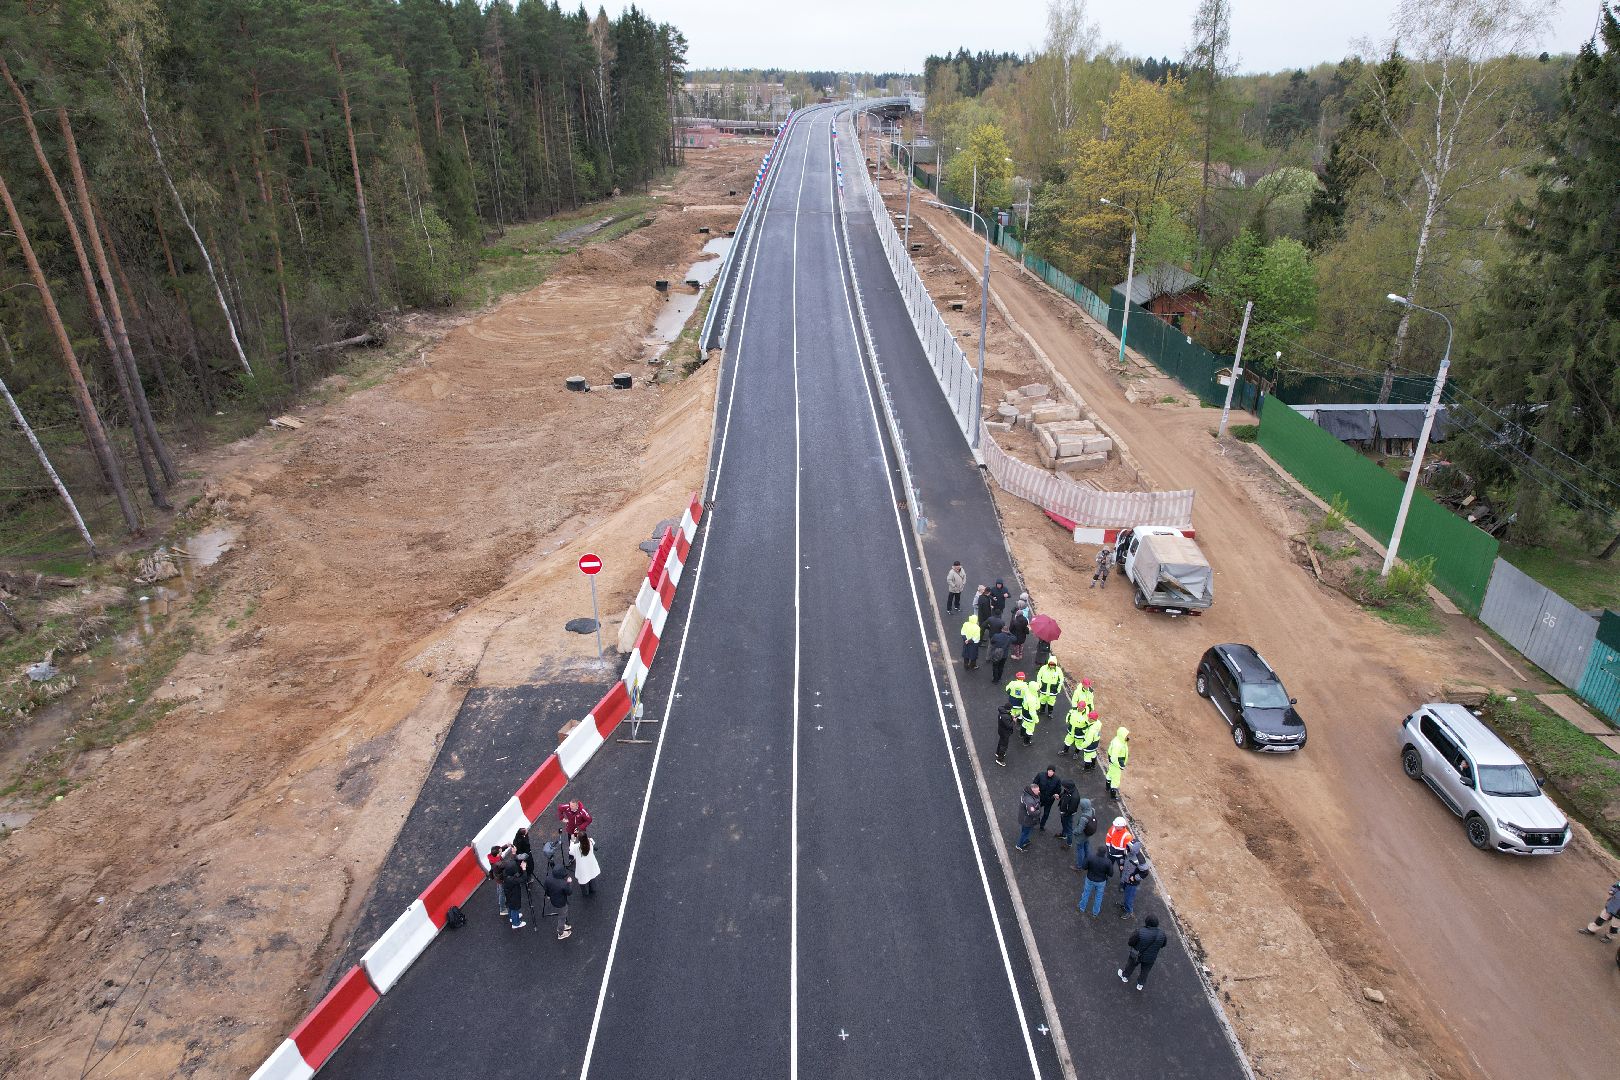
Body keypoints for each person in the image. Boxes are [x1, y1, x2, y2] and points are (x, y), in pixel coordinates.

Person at [1119, 915, 1168, 990]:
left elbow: (1130, 942)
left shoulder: (1139, 931)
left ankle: (1125, 977)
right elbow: (1163, 945)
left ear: (1147, 922)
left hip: (1137, 955)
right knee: (1145, 971)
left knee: (1130, 966)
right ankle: (1140, 984)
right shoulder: (1162, 934)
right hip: (1151, 958)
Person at [1119, 841, 1153, 919]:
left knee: (1129, 897)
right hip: (1125, 878)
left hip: (1132, 883)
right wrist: (1121, 864)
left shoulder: (1140, 859)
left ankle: (1129, 911)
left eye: (1129, 847)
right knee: (1126, 894)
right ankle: (1125, 905)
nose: (1127, 848)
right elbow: (1123, 856)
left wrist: (1134, 877)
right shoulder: (1128, 851)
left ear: (1134, 849)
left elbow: (1145, 872)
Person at [1078, 847, 1114, 917]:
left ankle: (1082, 907)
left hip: (1090, 879)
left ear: (1097, 851)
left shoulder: (1090, 857)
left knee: (1086, 893)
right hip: (1101, 881)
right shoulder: (1108, 862)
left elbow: (1084, 867)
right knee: (1098, 897)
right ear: (1105, 853)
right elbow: (1111, 874)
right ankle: (1095, 913)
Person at [541, 865, 574, 940]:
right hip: (561, 903)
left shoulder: (548, 879)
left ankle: (562, 927)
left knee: (562, 915)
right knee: (562, 917)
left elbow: (545, 888)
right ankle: (560, 933)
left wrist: (548, 895)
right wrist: (569, 883)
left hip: (554, 900)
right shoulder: (563, 884)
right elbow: (569, 892)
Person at [499, 849, 527, 929]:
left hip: (509, 893)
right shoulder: (512, 879)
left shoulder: (506, 874)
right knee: (515, 908)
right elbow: (523, 879)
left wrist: (514, 854)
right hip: (514, 895)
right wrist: (524, 869)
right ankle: (516, 923)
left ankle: (512, 917)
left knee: (511, 907)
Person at [571, 832, 602, 897]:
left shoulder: (576, 847)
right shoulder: (590, 841)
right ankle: (593, 889)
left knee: (584, 880)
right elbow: (590, 840)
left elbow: (570, 852)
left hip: (582, 868)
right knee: (592, 876)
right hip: (591, 864)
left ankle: (586, 893)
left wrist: (572, 841)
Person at [1071, 798, 1098, 870]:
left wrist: (1073, 832)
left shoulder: (1083, 818)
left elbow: (1079, 830)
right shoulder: (1092, 810)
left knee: (1080, 850)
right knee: (1087, 847)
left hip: (1081, 837)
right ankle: (1088, 861)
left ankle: (1079, 866)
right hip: (1088, 834)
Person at [1033, 765, 1062, 831]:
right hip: (1039, 798)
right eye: (1049, 771)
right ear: (1047, 770)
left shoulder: (1057, 779)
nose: (1050, 773)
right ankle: (1035, 821)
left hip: (1049, 800)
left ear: (1054, 772)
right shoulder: (1040, 775)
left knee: (1046, 814)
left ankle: (1042, 825)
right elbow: (1034, 784)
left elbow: (1058, 790)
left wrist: (1055, 795)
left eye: (1052, 771)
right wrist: (1037, 791)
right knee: (1036, 811)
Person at [1105, 727, 1130, 800]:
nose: (1127, 736)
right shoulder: (1118, 744)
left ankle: (1107, 787)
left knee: (1110, 774)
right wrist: (1120, 766)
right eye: (1126, 735)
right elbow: (1114, 758)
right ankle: (1113, 795)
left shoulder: (1118, 739)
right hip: (1116, 764)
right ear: (1122, 735)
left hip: (1113, 764)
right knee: (1115, 780)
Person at [1015, 784, 1041, 851]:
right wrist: (1038, 811)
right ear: (1033, 791)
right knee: (1025, 832)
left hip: (1024, 818)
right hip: (1027, 820)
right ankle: (1019, 845)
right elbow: (1032, 813)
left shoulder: (1026, 795)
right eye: (1037, 790)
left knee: (1025, 831)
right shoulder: (1029, 801)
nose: (1039, 791)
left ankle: (1025, 840)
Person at [1057, 779, 1081, 847]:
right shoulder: (1069, 789)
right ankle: (1064, 835)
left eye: (1064, 786)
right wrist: (1059, 796)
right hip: (1064, 812)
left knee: (1069, 828)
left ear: (1068, 787)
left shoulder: (1074, 797)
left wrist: (1064, 814)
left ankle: (1069, 843)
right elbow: (1064, 793)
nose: (1063, 788)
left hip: (1067, 814)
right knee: (1064, 824)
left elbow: (1071, 810)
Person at [1018, 679, 1042, 745]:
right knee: (1030, 730)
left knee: (1024, 724)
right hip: (1029, 716)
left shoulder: (1027, 692)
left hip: (1024, 712)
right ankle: (1026, 742)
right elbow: (1032, 712)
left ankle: (1021, 735)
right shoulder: (1032, 699)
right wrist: (1036, 720)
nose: (1038, 689)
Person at [488, 845, 510, 917]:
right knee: (502, 893)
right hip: (501, 879)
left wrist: (506, 846)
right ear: (497, 854)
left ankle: (501, 902)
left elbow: (500, 850)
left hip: (497, 877)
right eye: (500, 851)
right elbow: (507, 864)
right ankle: (502, 909)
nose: (501, 852)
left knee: (499, 889)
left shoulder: (492, 856)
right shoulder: (499, 864)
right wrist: (513, 854)